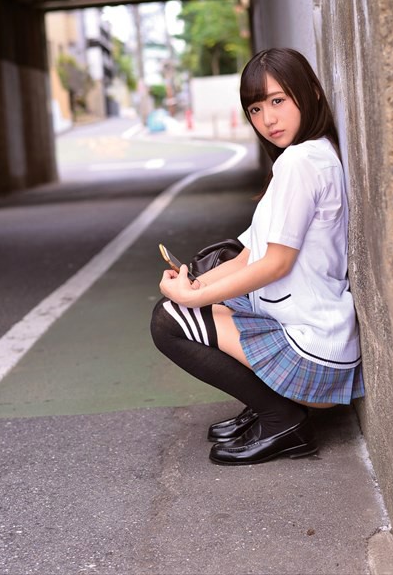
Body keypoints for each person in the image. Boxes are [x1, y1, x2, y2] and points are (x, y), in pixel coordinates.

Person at [150, 47, 364, 465]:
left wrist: (192, 298)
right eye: (255, 108)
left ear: (311, 93)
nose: (267, 119)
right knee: (206, 279)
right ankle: (269, 405)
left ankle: (281, 418)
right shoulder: (310, 153)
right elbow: (248, 256)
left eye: (278, 100)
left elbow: (275, 264)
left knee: (169, 321)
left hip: (311, 354)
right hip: (318, 335)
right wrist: (194, 284)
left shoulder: (301, 162)